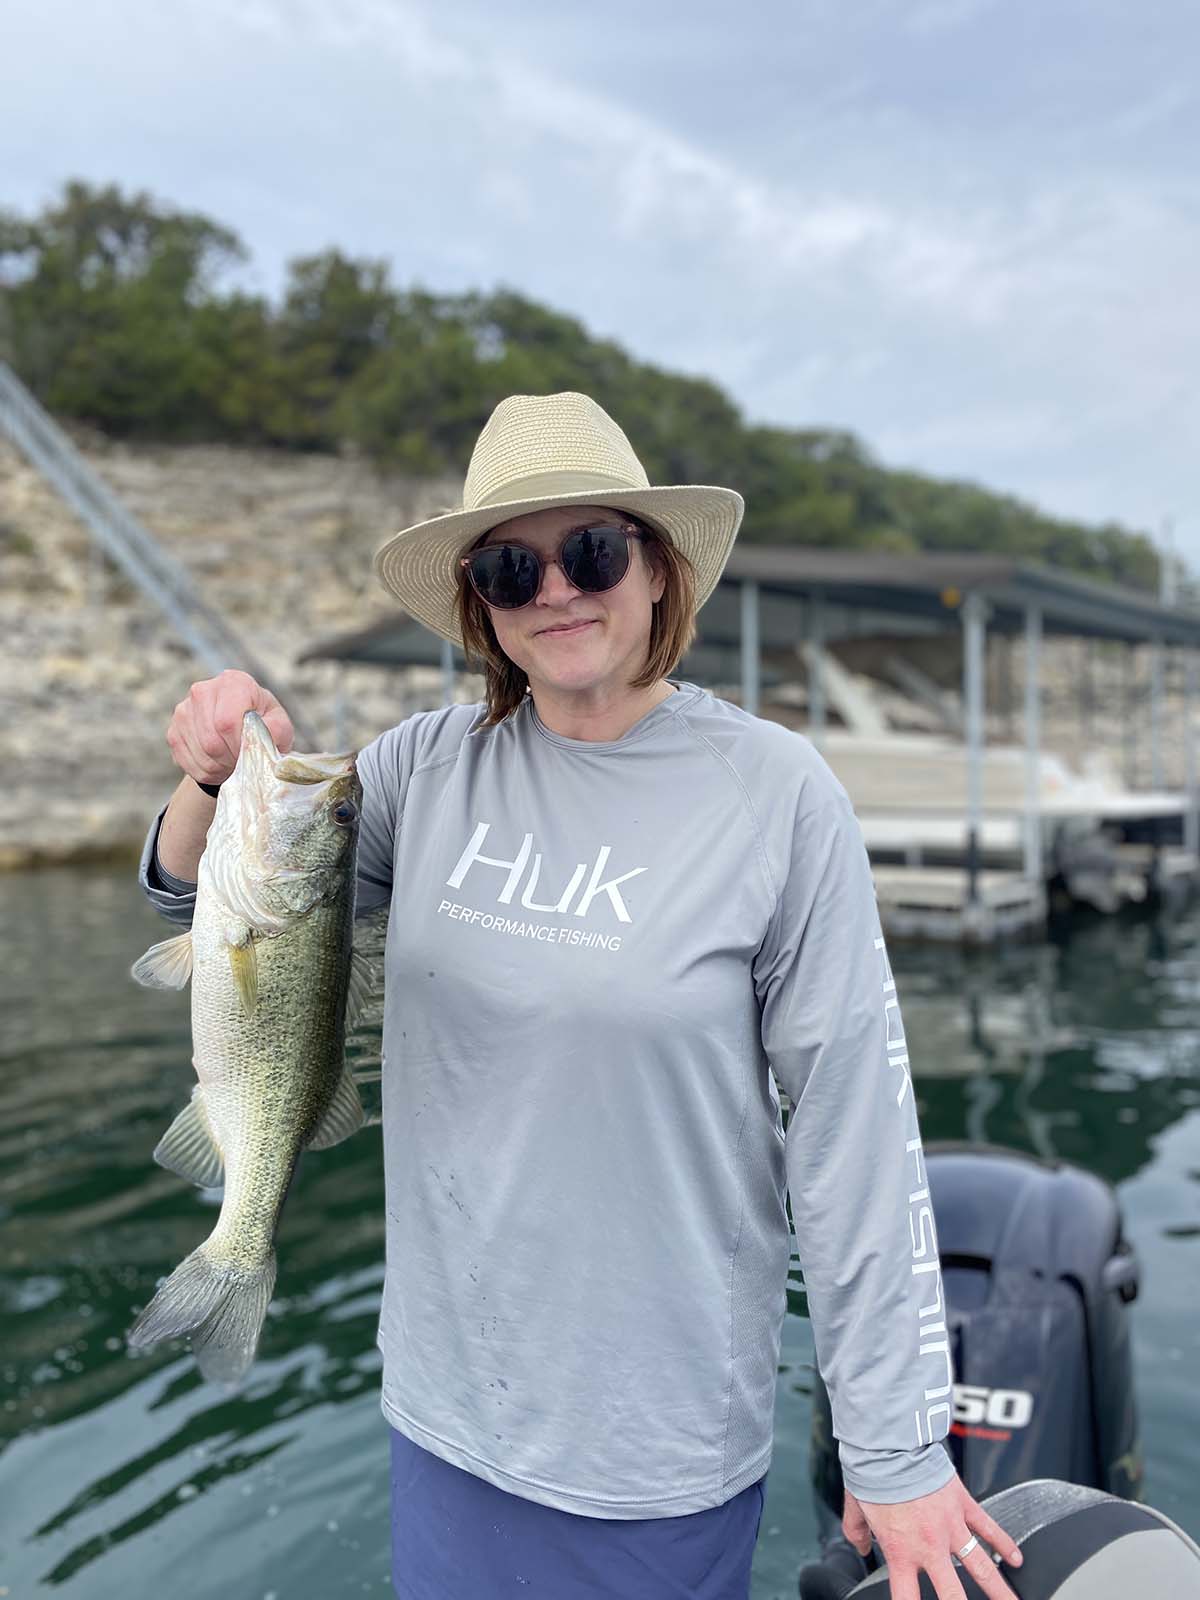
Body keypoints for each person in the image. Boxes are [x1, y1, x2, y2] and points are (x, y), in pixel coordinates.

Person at [139, 392, 1023, 1600]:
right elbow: (210, 911)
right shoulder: (414, 771)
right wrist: (204, 773)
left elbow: (852, 1132)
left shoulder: (775, 794)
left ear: (658, 570)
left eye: (592, 550)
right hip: (446, 1415)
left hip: (652, 1448)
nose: (555, 589)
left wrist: (898, 1445)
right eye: (511, 567)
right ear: (480, 604)